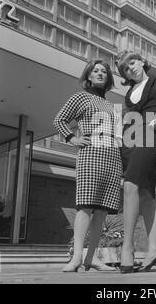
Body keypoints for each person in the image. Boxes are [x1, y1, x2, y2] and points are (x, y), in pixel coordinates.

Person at [53, 59, 122, 272]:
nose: (100, 74)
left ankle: (92, 258)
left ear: (108, 78)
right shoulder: (81, 97)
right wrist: (72, 139)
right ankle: (76, 258)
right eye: (96, 71)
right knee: (85, 206)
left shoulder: (111, 106)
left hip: (112, 157)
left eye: (104, 71)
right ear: (89, 76)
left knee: (101, 211)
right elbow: (59, 120)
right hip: (90, 154)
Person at [115, 50, 156, 273]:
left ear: (141, 62)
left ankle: (128, 247)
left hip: (149, 137)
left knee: (130, 185)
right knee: (146, 194)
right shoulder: (130, 92)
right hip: (128, 140)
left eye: (132, 63)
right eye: (125, 68)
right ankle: (155, 250)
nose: (130, 68)